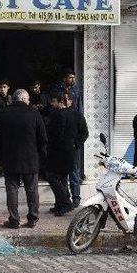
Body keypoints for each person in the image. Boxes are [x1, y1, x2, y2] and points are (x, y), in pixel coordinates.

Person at [0, 89, 47, 229]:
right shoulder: (34, 113)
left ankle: (14, 220)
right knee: (32, 190)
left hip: (9, 159)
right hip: (30, 159)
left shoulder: (3, 114)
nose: (29, 101)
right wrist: (41, 156)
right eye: (28, 99)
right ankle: (33, 219)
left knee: (12, 190)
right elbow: (43, 138)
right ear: (23, 99)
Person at [45, 94, 88, 216]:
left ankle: (65, 203)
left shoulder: (57, 115)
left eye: (54, 101)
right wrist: (75, 145)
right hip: (70, 152)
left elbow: (53, 134)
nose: (52, 105)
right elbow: (84, 133)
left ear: (61, 102)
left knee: (53, 177)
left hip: (58, 152)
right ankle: (60, 205)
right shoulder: (77, 115)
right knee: (62, 178)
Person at [53, 69, 83, 206]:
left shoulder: (76, 90)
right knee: (63, 174)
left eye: (73, 77)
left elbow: (83, 132)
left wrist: (76, 143)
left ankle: (76, 198)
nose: (72, 80)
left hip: (73, 144)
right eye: (70, 77)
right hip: (62, 145)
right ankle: (65, 199)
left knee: (74, 172)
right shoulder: (58, 89)